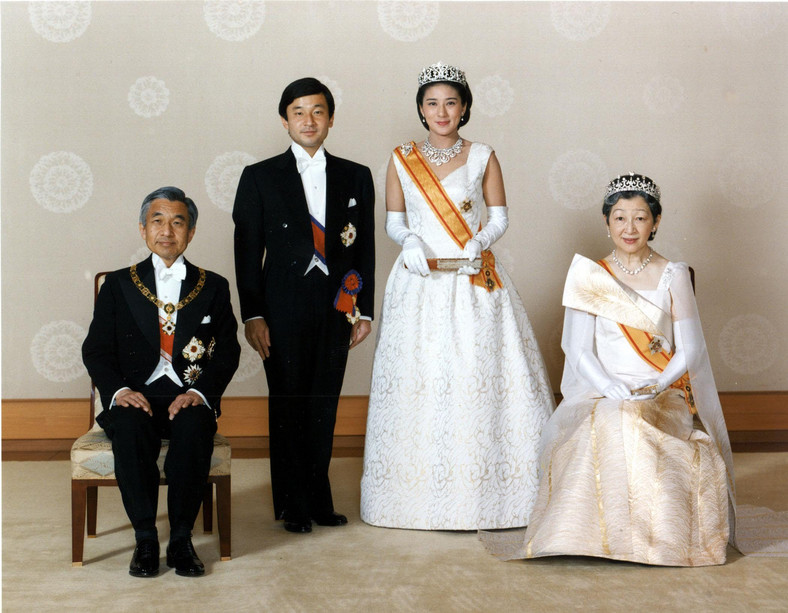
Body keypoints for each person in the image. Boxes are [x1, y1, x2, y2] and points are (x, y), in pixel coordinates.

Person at [483, 173, 736, 565]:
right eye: (619, 218)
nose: (629, 228)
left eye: (639, 218)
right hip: (603, 390)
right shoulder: (589, 275)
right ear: (606, 222)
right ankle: (583, 537)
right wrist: (610, 386)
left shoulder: (674, 274)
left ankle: (653, 542)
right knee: (610, 420)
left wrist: (657, 383)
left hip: (662, 391)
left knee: (631, 421)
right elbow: (578, 349)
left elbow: (691, 349)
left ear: (656, 221)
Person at [360, 63, 555, 530]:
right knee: (421, 378)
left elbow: (500, 217)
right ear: (421, 110)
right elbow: (394, 221)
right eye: (432, 103)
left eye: (451, 102)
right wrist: (407, 242)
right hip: (420, 279)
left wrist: (480, 241)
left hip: (472, 278)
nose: (441, 111)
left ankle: (491, 498)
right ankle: (410, 501)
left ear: (464, 107)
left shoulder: (484, 154)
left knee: (476, 376)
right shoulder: (401, 157)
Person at [232, 77, 375, 534]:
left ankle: (318, 496)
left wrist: (363, 309)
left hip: (336, 306)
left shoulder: (356, 175)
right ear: (284, 120)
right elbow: (246, 250)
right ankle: (291, 502)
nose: (308, 120)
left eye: (318, 111)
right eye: (298, 112)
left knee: (323, 402)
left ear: (330, 119)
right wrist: (252, 314)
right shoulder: (259, 176)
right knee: (289, 400)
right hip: (281, 307)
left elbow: (365, 250)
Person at [82, 187, 241, 577]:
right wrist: (120, 391)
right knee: (131, 427)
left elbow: (228, 352)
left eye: (177, 221)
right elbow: (96, 350)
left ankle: (182, 539)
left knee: (195, 425)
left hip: (186, 394)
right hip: (134, 394)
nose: (167, 230)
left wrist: (200, 393)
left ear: (191, 232)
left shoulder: (214, 285)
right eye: (157, 221)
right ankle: (146, 539)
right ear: (142, 229)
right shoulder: (118, 285)